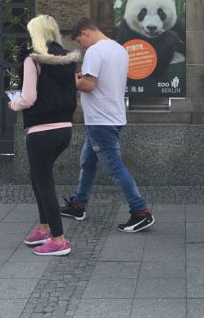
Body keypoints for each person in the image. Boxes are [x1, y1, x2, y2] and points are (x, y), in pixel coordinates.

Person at [59, 17, 155, 233]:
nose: (82, 47)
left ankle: (141, 212)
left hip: (100, 120)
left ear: (85, 33)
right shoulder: (119, 49)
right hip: (112, 116)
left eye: (80, 41)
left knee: (115, 167)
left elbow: (88, 85)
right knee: (87, 161)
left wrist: (73, 80)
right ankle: (78, 205)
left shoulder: (95, 51)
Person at [8, 14, 80, 256]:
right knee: (38, 177)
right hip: (64, 129)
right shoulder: (68, 60)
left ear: (35, 33)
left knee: (44, 182)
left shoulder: (33, 59)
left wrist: (14, 104)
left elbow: (29, 98)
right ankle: (43, 227)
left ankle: (58, 239)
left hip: (41, 130)